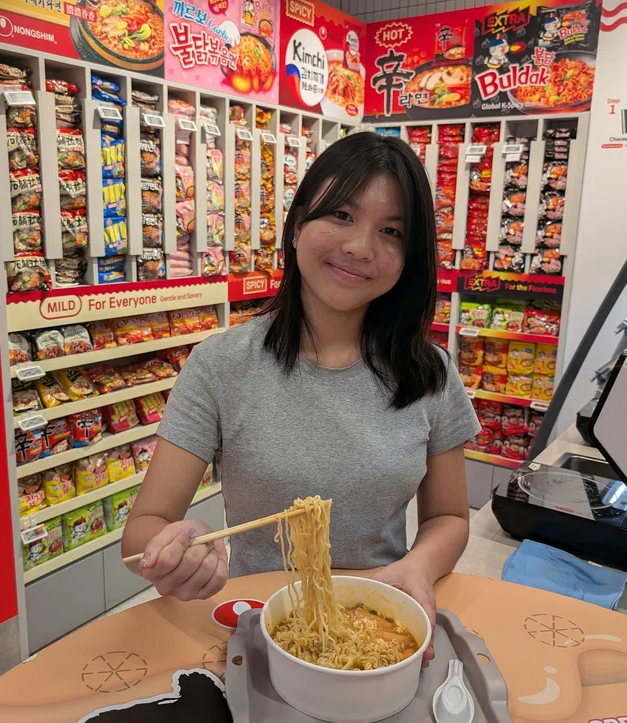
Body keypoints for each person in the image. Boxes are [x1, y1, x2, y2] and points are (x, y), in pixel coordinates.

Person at [122, 131, 481, 666]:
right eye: (340, 215)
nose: (361, 246)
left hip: (381, 621)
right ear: (296, 226)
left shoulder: (429, 373)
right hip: (259, 621)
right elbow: (143, 528)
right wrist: (181, 544)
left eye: (390, 231)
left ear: (409, 258)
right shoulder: (221, 365)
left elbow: (450, 517)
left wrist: (418, 567)